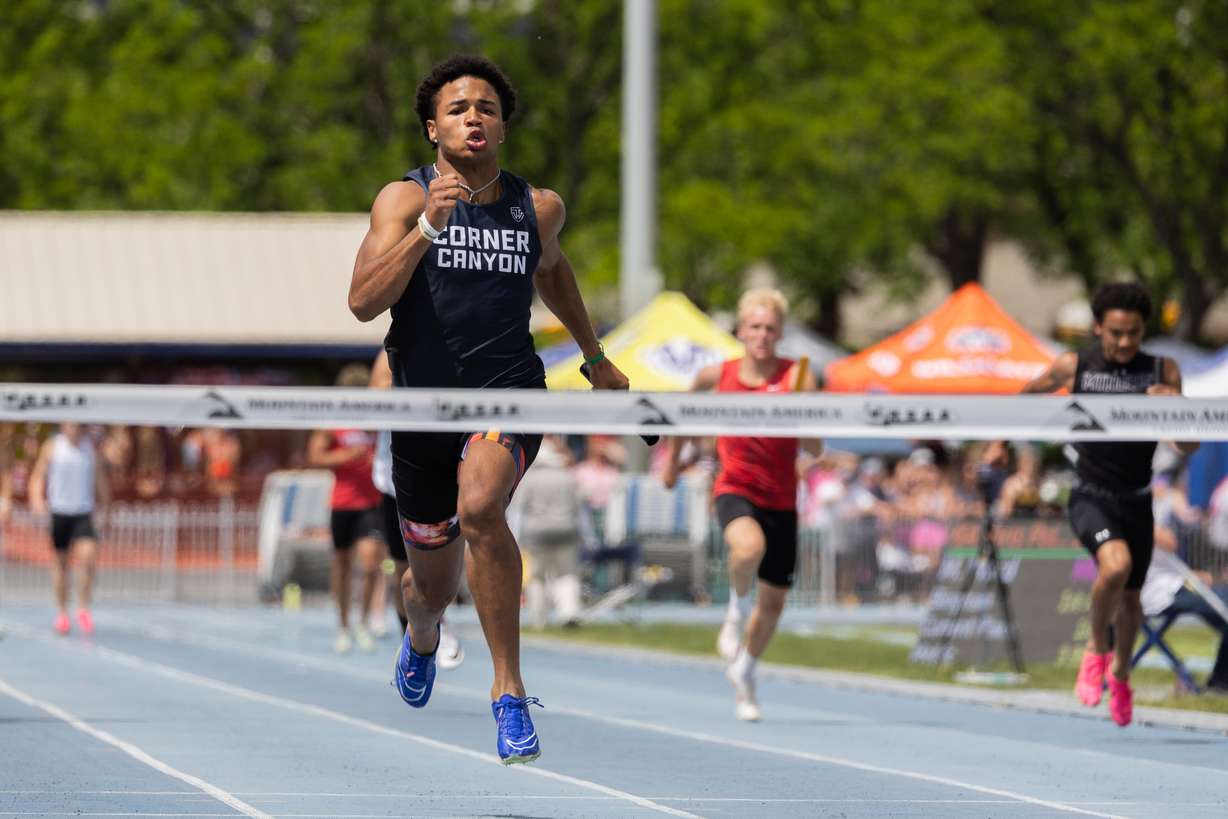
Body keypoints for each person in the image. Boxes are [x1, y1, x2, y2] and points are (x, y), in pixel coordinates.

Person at [347, 55, 629, 764]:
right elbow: (361, 302)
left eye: (487, 108)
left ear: (502, 127)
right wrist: (427, 233)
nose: (473, 116)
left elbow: (553, 268)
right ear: (431, 128)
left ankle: (507, 691)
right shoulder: (403, 201)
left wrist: (595, 358)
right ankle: (420, 634)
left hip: (507, 391)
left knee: (481, 506)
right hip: (422, 410)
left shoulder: (537, 207)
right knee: (428, 587)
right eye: (457, 108)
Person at [991, 282, 1199, 726]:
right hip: (1090, 495)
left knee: (1131, 602)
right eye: (1116, 334)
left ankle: (1121, 673)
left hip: (1137, 500)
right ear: (1097, 328)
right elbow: (1025, 395)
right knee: (1115, 566)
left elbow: (1190, 446)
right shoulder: (1075, 365)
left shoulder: (1164, 371)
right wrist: (998, 443)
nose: (1125, 344)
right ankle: (1094, 650)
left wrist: (1175, 407)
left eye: (1135, 334)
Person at [662, 288, 821, 722]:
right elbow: (681, 408)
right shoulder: (718, 375)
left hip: (782, 497)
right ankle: (734, 610)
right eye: (755, 326)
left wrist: (802, 413)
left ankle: (746, 672)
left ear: (780, 333)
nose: (762, 335)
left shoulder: (798, 376)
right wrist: (674, 462)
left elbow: (817, 447)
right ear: (740, 330)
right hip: (734, 486)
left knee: (774, 605)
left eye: (770, 328)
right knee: (748, 549)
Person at [369, 350, 464, 668]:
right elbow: (376, 396)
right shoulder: (389, 354)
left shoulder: (457, 343)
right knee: (401, 567)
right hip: (396, 477)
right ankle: (410, 633)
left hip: (447, 469)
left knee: (444, 555)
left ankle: (440, 621)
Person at [307, 364, 384, 654]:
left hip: (372, 503)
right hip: (342, 502)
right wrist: (347, 455)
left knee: (370, 562)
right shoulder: (333, 420)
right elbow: (315, 455)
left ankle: (364, 621)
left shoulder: (377, 419)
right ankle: (342, 625)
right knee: (342, 564)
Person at [27, 423, 110, 636]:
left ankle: (83, 606)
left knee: (88, 556)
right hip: (60, 511)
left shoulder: (90, 448)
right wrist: (37, 499)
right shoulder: (53, 446)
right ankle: (62, 611)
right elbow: (38, 476)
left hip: (83, 512)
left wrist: (106, 508)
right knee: (61, 565)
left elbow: (101, 480)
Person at [512, 435, 583, 629]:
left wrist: (515, 537)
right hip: (566, 530)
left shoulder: (530, 478)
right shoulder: (567, 476)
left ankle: (539, 617)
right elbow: (579, 508)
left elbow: (518, 510)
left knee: (537, 576)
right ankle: (569, 612)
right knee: (567, 573)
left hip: (536, 533)